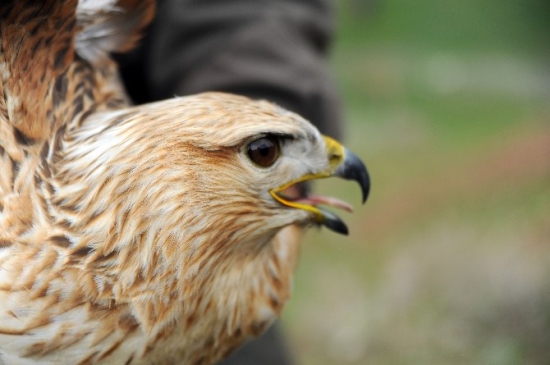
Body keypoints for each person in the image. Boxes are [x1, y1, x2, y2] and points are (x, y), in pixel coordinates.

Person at [116, 0, 343, 363]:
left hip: (204, 260)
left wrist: (259, 131)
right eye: (266, 151)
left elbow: (243, 17)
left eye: (265, 151)